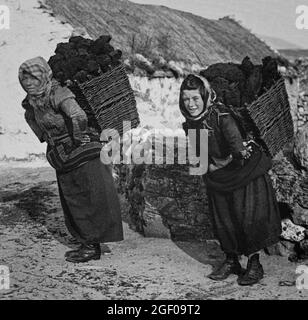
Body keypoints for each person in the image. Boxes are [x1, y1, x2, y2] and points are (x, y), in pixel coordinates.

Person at [179, 74, 282, 286]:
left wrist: (217, 164)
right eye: (186, 99)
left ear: (205, 96)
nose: (191, 104)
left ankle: (255, 265)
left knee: (247, 219)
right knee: (223, 218)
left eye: (195, 99)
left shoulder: (222, 116)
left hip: (245, 173)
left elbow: (238, 151)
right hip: (219, 175)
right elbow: (201, 152)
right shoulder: (190, 123)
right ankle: (231, 260)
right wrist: (209, 164)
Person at [19, 56, 123, 263]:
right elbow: (31, 119)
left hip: (82, 153)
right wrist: (46, 138)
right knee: (74, 199)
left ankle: (90, 246)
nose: (29, 83)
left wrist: (76, 137)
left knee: (90, 199)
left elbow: (78, 116)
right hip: (63, 156)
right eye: (25, 79)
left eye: (33, 77)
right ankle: (88, 242)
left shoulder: (58, 93)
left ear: (44, 75)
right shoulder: (32, 102)